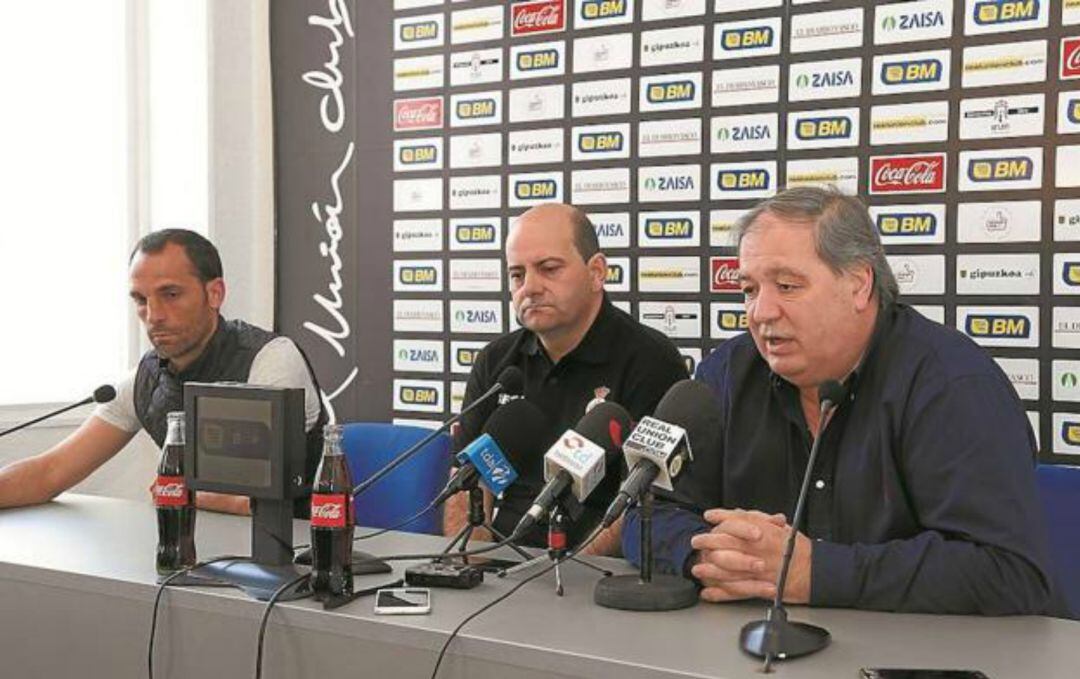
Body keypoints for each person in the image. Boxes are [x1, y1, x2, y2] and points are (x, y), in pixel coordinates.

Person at [623, 187, 1066, 616]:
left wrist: (815, 572)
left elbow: (1010, 571)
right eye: (750, 289)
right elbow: (645, 514)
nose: (760, 312)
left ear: (858, 284)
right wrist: (713, 557)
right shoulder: (725, 374)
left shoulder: (952, 384)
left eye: (787, 286)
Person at [0, 229, 326, 516]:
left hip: (297, 559)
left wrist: (177, 489)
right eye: (141, 300)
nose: (153, 315)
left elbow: (256, 500)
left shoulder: (270, 360)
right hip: (196, 552)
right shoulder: (145, 380)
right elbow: (50, 472)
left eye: (170, 294)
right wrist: (182, 490)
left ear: (215, 293)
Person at [446, 203, 687, 555]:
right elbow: (467, 480)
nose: (530, 287)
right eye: (517, 274)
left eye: (548, 269)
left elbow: (647, 498)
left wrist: (571, 573)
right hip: (499, 564)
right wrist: (469, 562)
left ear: (597, 272)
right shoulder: (497, 362)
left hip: (595, 573)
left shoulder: (651, 361)